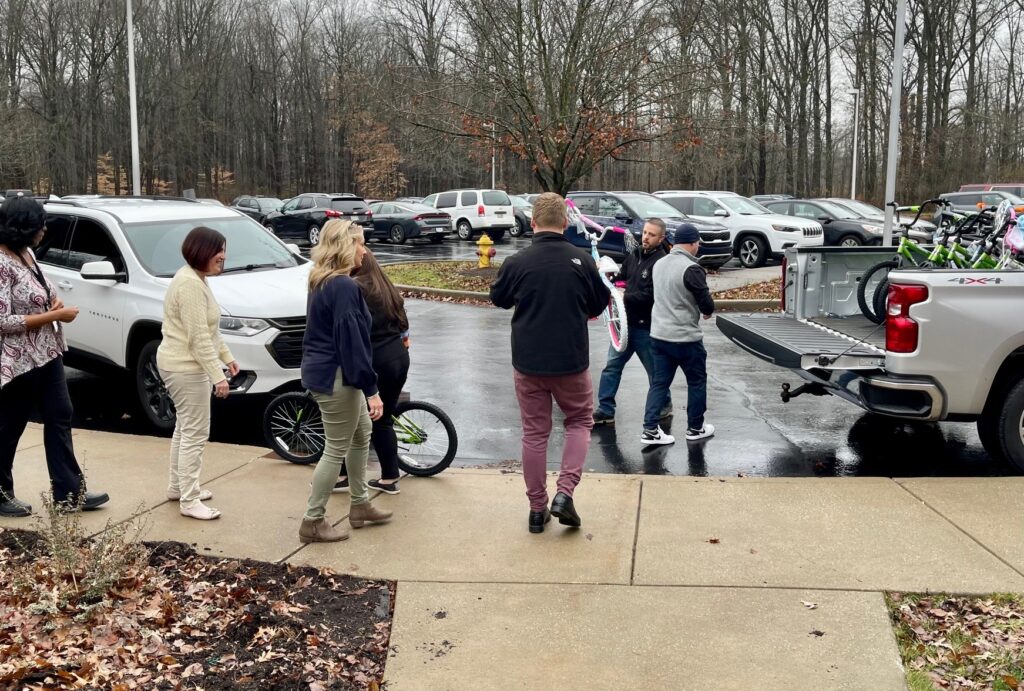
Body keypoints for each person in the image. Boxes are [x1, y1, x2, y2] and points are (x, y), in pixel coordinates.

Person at [490, 193, 610, 534]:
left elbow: (498, 299)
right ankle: (565, 492)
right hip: (571, 361)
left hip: (528, 362)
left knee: (534, 433)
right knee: (579, 421)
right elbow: (598, 306)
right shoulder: (582, 261)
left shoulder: (517, 263)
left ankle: (536, 508)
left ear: (532, 223)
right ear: (565, 223)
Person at [0, 194, 109, 517]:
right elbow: (2, 322)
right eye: (39, 224)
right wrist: (53, 318)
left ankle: (69, 493)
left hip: (47, 353)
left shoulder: (26, 254)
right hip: (17, 361)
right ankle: (1, 493)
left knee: (60, 415)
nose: (44, 229)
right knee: (9, 427)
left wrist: (55, 303)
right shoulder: (1, 264)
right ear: (22, 227)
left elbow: (41, 292)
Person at [299, 220, 392, 543]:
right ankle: (313, 521)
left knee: (361, 434)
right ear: (344, 247)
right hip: (336, 376)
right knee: (336, 447)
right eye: (359, 244)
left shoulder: (321, 280)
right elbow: (352, 343)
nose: (364, 251)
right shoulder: (344, 287)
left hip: (325, 371)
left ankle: (359, 503)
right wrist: (372, 390)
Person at [157, 226, 239, 520]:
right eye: (218, 250)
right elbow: (197, 338)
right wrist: (217, 375)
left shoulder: (196, 279)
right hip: (185, 367)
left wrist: (226, 357)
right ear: (201, 251)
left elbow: (208, 330)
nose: (223, 256)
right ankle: (189, 501)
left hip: (181, 363)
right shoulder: (190, 284)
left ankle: (178, 487)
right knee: (195, 432)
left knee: (185, 427)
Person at [333, 251, 410, 495]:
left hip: (375, 359)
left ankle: (344, 475)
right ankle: (389, 477)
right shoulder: (386, 286)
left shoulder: (355, 289)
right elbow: (403, 324)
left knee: (357, 419)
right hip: (398, 356)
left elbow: (353, 331)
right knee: (383, 419)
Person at [641, 222, 715, 446]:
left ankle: (650, 430)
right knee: (696, 382)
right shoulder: (692, 269)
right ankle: (695, 427)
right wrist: (705, 311)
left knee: (659, 384)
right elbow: (707, 306)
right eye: (697, 243)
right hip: (685, 339)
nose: (698, 247)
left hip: (659, 336)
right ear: (693, 243)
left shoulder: (659, 264)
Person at [593, 218, 672, 425]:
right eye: (645, 232)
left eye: (651, 234)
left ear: (661, 238)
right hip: (623, 327)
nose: (645, 237)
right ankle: (605, 410)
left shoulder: (661, 262)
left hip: (645, 327)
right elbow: (622, 278)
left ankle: (664, 405)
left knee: (655, 373)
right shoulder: (634, 255)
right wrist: (611, 282)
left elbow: (652, 295)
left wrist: (625, 295)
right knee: (611, 367)